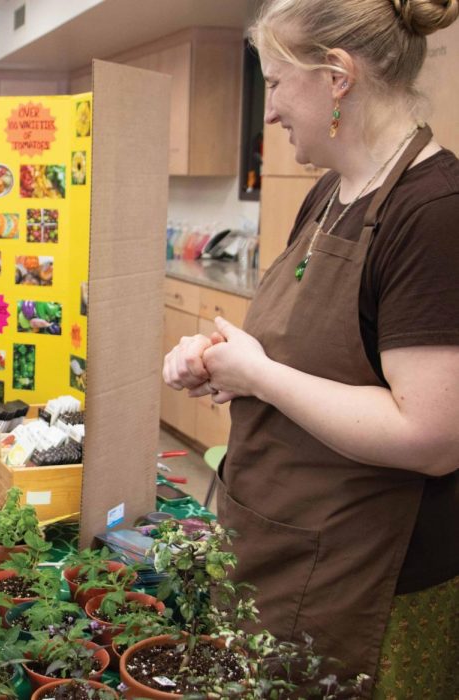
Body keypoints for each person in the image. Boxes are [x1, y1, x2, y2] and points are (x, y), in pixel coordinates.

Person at [163, 0, 458, 696]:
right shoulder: (330, 195)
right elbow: (314, 360)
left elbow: (432, 436)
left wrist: (261, 377)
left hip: (372, 583)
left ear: (337, 76)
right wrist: (220, 364)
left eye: (273, 81)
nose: (266, 113)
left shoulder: (434, 213)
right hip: (282, 543)